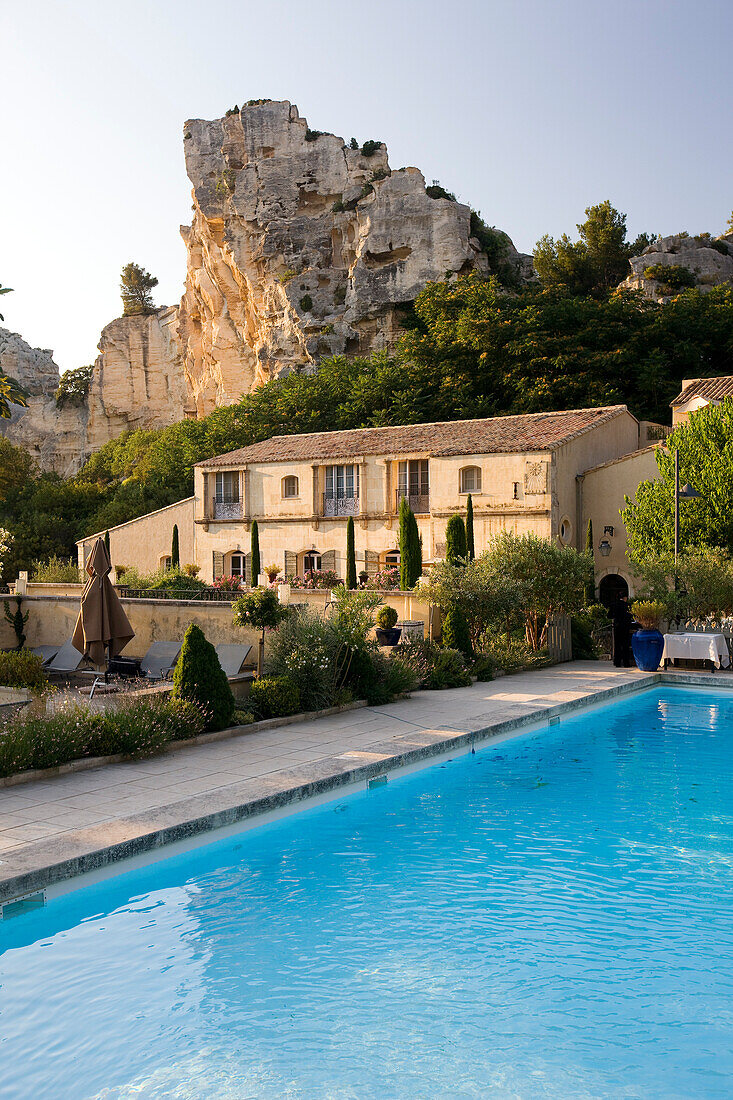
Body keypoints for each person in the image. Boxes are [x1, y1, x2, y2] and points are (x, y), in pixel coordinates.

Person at [612, 594, 634, 667]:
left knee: (617, 645)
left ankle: (617, 662)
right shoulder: (627, 605)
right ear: (625, 598)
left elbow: (609, 615)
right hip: (625, 627)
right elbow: (631, 615)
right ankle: (626, 663)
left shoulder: (614, 604)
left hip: (617, 627)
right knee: (625, 645)